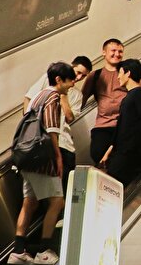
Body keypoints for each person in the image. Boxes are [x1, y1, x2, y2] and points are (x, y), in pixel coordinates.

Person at [8, 61, 76, 265]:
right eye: (69, 80)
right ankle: (45, 250)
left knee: (30, 202)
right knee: (57, 201)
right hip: (42, 159)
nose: (72, 84)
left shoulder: (36, 96)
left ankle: (18, 251)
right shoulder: (53, 96)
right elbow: (52, 130)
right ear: (58, 79)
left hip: (26, 159)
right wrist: (57, 159)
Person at [24, 55, 92, 192]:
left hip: (65, 144)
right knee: (50, 197)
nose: (78, 78)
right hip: (46, 143)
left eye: (83, 76)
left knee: (60, 191)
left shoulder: (77, 95)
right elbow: (28, 98)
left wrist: (64, 95)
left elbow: (69, 118)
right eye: (78, 73)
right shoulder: (47, 81)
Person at [80, 38, 126, 165]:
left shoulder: (128, 73)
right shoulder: (95, 75)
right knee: (98, 156)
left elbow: (140, 96)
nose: (117, 54)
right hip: (103, 127)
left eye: (120, 51)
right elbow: (81, 100)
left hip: (124, 126)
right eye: (113, 50)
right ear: (104, 52)